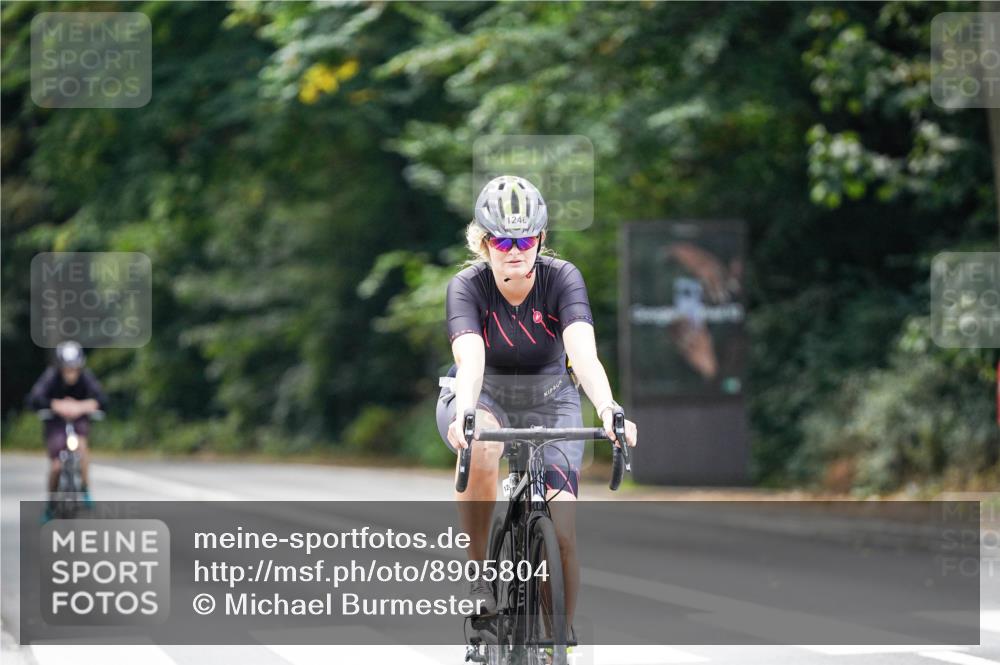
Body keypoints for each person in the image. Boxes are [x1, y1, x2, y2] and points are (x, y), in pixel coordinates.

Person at [436, 175, 638, 630]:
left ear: (540, 238)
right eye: (502, 240)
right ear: (484, 243)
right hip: (483, 395)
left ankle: (558, 642)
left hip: (550, 401)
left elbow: (583, 354)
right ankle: (479, 576)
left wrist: (608, 409)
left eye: (525, 238)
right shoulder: (467, 286)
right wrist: (467, 413)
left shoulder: (562, 278)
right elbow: (470, 358)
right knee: (483, 446)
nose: (514, 250)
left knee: (562, 531)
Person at [27, 341, 108, 514]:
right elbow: (34, 398)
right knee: (56, 466)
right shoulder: (51, 377)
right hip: (55, 423)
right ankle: (51, 503)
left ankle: (85, 488)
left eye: (74, 368)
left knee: (82, 447)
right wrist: (55, 405)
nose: (71, 372)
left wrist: (82, 406)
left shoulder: (86, 377)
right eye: (67, 368)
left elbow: (102, 398)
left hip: (79, 421)